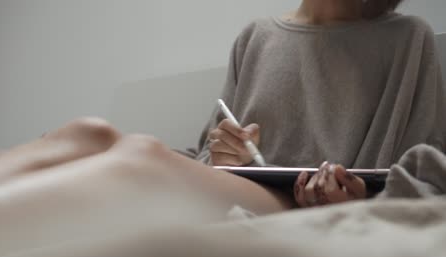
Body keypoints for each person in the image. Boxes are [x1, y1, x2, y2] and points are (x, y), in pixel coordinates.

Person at [186, 0, 445, 207]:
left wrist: (364, 197)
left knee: (148, 159)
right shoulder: (255, 37)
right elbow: (206, 157)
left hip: (331, 220)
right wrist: (225, 153)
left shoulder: (410, 39)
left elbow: (427, 179)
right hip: (245, 201)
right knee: (149, 157)